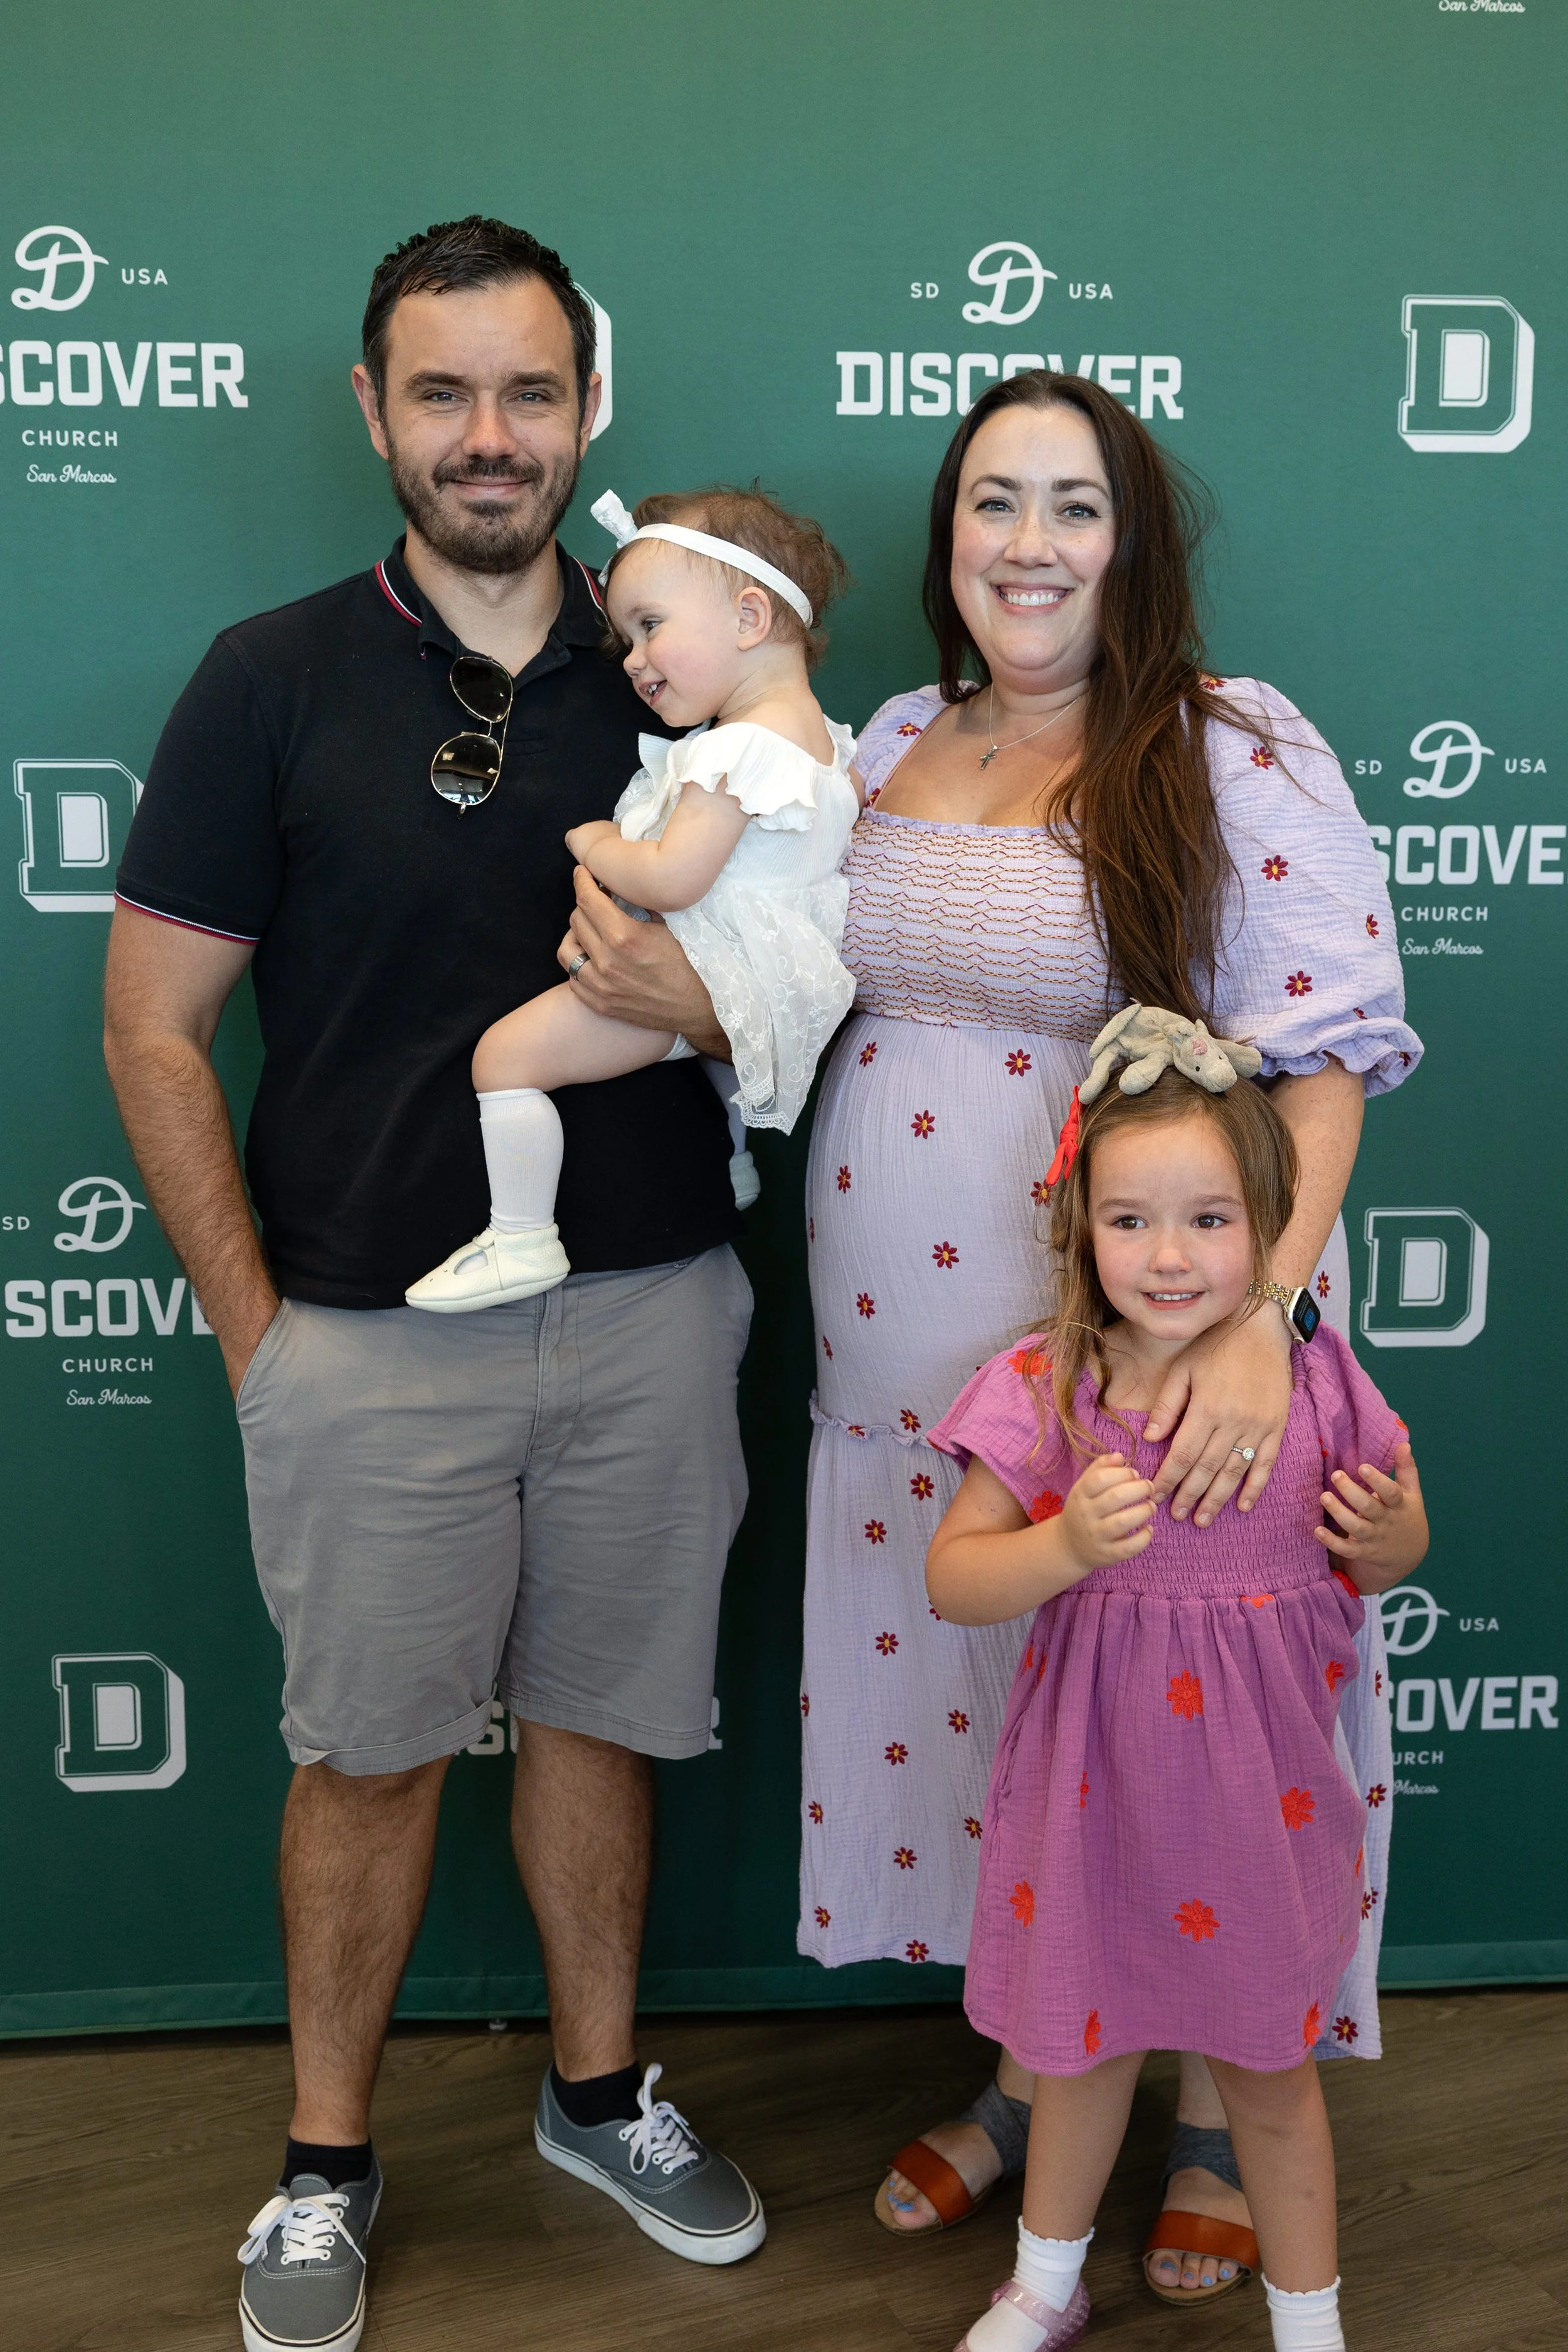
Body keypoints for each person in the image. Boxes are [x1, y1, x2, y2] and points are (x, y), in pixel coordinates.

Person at [103, 216, 766, 2352]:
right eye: (447, 393)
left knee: (601, 1723)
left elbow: (819, 967)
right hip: (371, 1333)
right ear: (372, 412)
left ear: (595, 413)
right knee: (373, 1756)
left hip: (655, 1310)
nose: (494, 439)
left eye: (534, 393)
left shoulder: (695, 677)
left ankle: (596, 2096)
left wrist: (708, 1001)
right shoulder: (268, 677)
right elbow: (151, 1027)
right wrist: (255, 1335)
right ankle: (323, 2168)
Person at [795, 368, 1421, 2293]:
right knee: (1024, 1716)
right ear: (947, 535)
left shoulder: (1224, 744)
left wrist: (1261, 1318)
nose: (1031, 545)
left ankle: (1225, 2108)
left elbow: (1316, 1064)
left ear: (1129, 540)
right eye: (995, 502)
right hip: (902, 1370)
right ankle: (1029, 2073)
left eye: (1075, 505)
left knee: (1186, 1721)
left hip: (1153, 1345)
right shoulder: (891, 731)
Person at [926, 1027, 1428, 2352]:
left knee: (1268, 2076)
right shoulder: (1048, 1386)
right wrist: (1063, 1546)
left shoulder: (1311, 1383)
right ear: (1078, 1228)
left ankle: (1308, 2319)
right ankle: (1042, 2281)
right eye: (1129, 1219)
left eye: (1206, 1220)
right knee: (1077, 2058)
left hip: (1261, 1816)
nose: (1165, 1255)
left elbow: (1396, 1534)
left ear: (1267, 1230)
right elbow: (954, 1579)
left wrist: (1388, 1543)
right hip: (1090, 1809)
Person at [408, 484, 858, 1311]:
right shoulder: (830, 743)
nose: (633, 659)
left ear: (751, 619)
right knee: (710, 1055)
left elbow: (673, 876)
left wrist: (597, 843)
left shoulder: (736, 751)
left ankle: (519, 1236)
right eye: (625, 638)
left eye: (652, 626)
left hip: (699, 973)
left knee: (502, 1059)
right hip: (763, 987)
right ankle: (733, 1158)